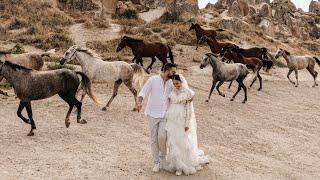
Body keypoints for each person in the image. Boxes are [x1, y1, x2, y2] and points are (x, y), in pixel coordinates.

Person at [162, 74, 209, 176]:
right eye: (174, 84)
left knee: (182, 142)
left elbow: (188, 110)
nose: (176, 85)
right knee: (173, 142)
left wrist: (187, 123)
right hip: (172, 119)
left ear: (182, 82)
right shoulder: (172, 91)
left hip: (182, 120)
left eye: (177, 83)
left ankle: (183, 165)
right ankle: (176, 164)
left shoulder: (188, 93)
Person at [136, 63, 178, 172]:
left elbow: (178, 93)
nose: (174, 73)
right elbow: (143, 92)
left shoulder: (171, 82)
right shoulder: (153, 79)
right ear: (166, 71)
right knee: (154, 139)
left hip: (165, 114)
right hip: (152, 113)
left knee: (162, 137)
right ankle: (156, 162)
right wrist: (139, 102)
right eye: (173, 71)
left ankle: (162, 157)